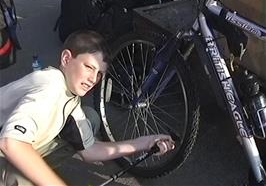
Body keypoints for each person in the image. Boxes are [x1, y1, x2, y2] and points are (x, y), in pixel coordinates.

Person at [0, 30, 175, 186]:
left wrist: (144, 143)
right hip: (5, 152)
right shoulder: (50, 88)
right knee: (21, 168)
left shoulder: (69, 95)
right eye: (89, 67)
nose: (93, 79)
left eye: (99, 74)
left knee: (89, 119)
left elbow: (89, 150)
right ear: (66, 58)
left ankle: (32, 172)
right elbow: (11, 144)